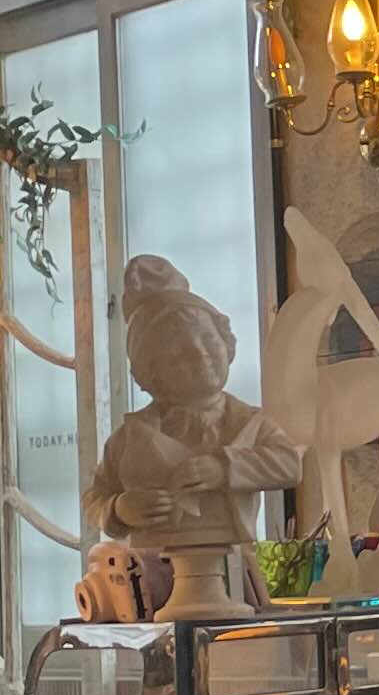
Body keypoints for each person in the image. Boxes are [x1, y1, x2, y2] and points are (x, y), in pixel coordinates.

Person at [90, 257, 302, 613]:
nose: (202, 355)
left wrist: (225, 467)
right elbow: (96, 496)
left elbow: (289, 464)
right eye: (181, 352)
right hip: (164, 570)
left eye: (209, 340)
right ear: (150, 370)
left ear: (227, 343)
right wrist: (119, 509)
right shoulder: (129, 438)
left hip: (225, 556)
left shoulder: (250, 423)